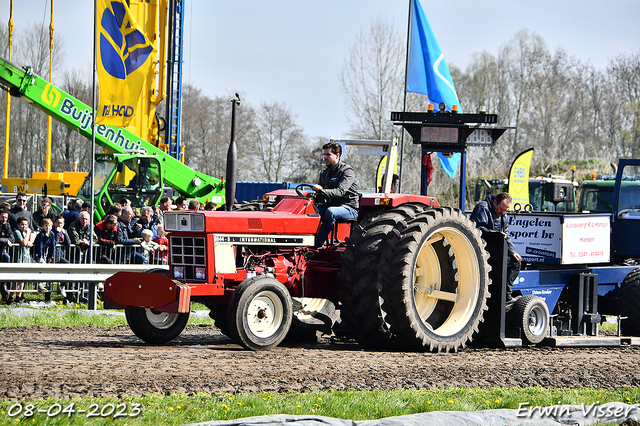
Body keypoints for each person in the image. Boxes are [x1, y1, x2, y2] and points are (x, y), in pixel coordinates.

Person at [470, 192, 522, 303]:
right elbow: (478, 229)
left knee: (515, 262)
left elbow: (505, 234)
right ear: (494, 202)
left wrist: (512, 251)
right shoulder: (482, 208)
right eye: (501, 209)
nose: (503, 212)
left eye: (506, 210)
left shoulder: (504, 214)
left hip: (497, 249)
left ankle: (506, 295)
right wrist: (496, 234)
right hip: (482, 249)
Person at [311, 142, 359, 248]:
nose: (325, 157)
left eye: (328, 155)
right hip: (330, 205)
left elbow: (340, 191)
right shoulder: (324, 173)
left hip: (348, 208)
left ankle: (316, 246)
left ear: (337, 155)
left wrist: (322, 190)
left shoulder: (347, 171)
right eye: (324, 154)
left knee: (331, 212)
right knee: (309, 210)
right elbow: (319, 196)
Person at [12, 216, 34, 304]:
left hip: (25, 258)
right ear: (18, 225)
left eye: (25, 225)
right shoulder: (17, 232)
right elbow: (24, 242)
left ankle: (18, 297)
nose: (24, 226)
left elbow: (30, 243)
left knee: (22, 279)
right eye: (22, 224)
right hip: (18, 258)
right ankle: (11, 297)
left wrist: (30, 239)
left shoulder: (26, 233)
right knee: (16, 280)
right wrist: (28, 233)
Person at [0, 209, 15, 304]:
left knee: (7, 259)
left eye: (6, 217)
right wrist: (5, 241)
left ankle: (5, 290)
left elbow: (12, 238)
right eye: (2, 217)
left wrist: (6, 240)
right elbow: (8, 240)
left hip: (2, 251)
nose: (4, 219)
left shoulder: (7, 225)